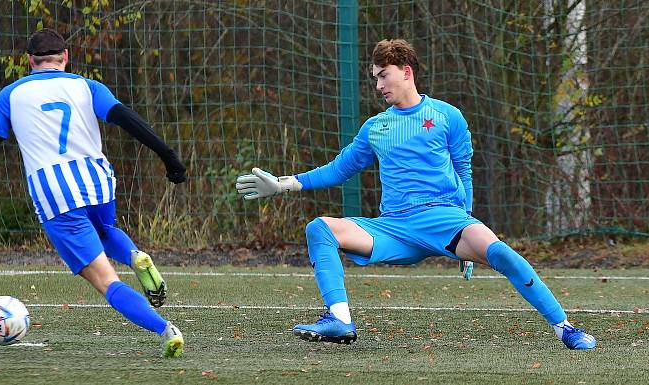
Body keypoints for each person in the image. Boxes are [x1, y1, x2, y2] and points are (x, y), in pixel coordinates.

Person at [235, 39, 597, 350]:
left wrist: (470, 225)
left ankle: (564, 328)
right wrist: (283, 184)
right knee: (320, 228)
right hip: (393, 229)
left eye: (383, 75)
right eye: (375, 77)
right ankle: (340, 319)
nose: (378, 85)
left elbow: (464, 171)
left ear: (406, 71)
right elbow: (339, 169)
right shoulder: (375, 127)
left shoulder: (447, 116)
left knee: (502, 253)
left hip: (446, 221)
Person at [0, 28, 186, 357]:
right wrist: (168, 156)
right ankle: (135, 256)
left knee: (107, 283)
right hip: (97, 180)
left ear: (29, 61)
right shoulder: (87, 86)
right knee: (105, 229)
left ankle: (164, 329)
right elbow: (127, 119)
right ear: (65, 57)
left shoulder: (10, 94)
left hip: (55, 193)